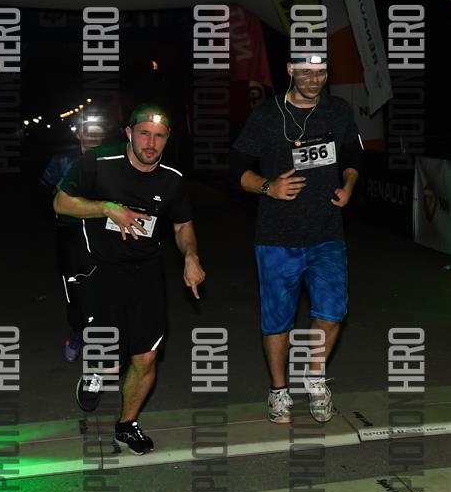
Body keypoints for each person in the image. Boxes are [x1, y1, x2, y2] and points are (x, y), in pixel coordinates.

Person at [54, 103, 205, 455]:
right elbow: (60, 203)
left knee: (146, 357)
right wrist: (107, 208)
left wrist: (191, 256)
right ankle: (97, 370)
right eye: (144, 134)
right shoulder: (97, 163)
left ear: (168, 138)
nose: (151, 143)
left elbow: (182, 225)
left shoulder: (172, 179)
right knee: (109, 359)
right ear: (128, 133)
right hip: (98, 270)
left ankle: (127, 425)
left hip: (146, 273)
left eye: (159, 136)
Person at [231, 54, 363, 425]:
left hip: (327, 235)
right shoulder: (267, 115)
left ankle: (315, 379)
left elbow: (353, 155)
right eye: (305, 71)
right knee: (278, 322)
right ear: (290, 70)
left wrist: (349, 185)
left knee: (332, 313)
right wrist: (268, 187)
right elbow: (235, 169)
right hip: (277, 238)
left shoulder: (337, 110)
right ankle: (278, 391)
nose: (313, 78)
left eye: (320, 71)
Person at [40, 109, 113, 361]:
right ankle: (78, 331)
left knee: (107, 283)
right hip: (70, 232)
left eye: (97, 131)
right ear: (79, 133)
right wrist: (60, 207)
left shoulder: (113, 159)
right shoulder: (63, 160)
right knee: (74, 283)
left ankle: (108, 334)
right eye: (87, 131)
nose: (92, 136)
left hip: (104, 231)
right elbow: (44, 192)